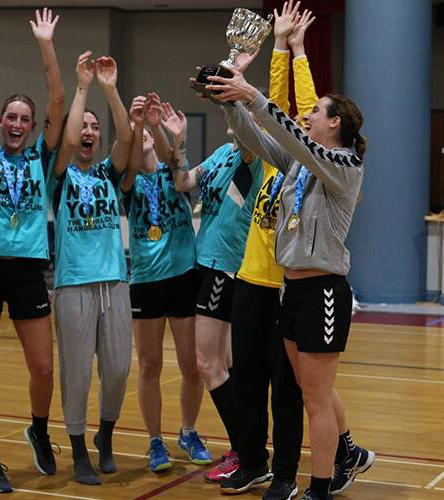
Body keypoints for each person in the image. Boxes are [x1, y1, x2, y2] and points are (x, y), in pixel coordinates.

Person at [209, 43, 373, 500]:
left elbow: (294, 138)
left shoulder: (345, 165)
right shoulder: (301, 164)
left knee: (314, 398)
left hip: (323, 292)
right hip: (291, 290)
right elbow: (258, 140)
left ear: (335, 123)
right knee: (308, 387)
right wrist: (229, 99)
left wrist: (254, 95)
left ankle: (319, 488)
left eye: (317, 111)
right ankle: (345, 455)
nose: (309, 115)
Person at [0, 7, 65, 493]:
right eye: (12, 117)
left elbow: (58, 100)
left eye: (25, 118)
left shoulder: (41, 156)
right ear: (1, 121)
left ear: (32, 125)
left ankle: (39, 430)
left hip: (28, 271)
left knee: (43, 366)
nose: (18, 123)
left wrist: (46, 44)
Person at [217, 3, 312, 498]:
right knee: (247, 379)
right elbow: (273, 106)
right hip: (250, 280)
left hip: (287, 288)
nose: (296, 122)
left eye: (304, 123)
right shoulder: (275, 160)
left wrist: (297, 50)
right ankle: (253, 462)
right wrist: (277, 45)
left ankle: (288, 474)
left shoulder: (311, 166)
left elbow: (302, 110)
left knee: (286, 388)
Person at [167, 57, 265, 483]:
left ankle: (247, 450)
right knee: (222, 364)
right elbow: (184, 182)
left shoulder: (253, 155)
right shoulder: (224, 154)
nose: (231, 126)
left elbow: (245, 129)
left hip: (226, 268)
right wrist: (177, 144)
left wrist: (227, 90)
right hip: (203, 265)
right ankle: (249, 448)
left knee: (207, 364)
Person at [50, 51, 133, 485]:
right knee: (77, 374)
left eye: (93, 127)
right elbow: (65, 143)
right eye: (82, 126)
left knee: (118, 369)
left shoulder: (106, 174)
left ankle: (106, 434)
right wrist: (81, 87)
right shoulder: (60, 175)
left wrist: (110, 90)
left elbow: (127, 137)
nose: (88, 132)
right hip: (74, 285)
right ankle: (79, 448)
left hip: (115, 282)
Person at [120, 94, 209, 473]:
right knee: (149, 365)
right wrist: (136, 124)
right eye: (136, 135)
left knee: (192, 365)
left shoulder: (173, 174)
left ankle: (188, 431)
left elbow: (177, 166)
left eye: (146, 137)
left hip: (184, 276)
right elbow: (129, 162)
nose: (142, 138)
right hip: (146, 281)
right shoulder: (127, 182)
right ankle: (155, 440)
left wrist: (156, 127)